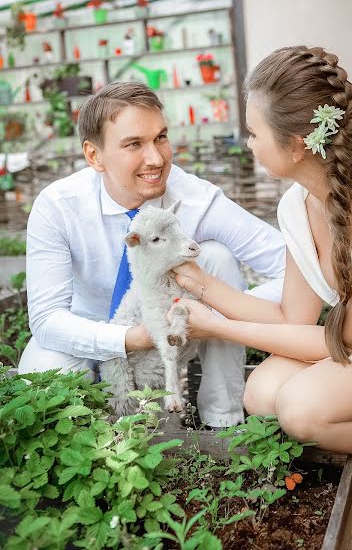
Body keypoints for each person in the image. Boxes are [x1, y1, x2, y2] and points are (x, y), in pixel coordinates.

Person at [168, 46, 352, 542]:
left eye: (253, 132)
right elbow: (292, 317)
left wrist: (220, 326)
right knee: (263, 391)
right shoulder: (298, 203)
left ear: (296, 144)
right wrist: (203, 285)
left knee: (300, 408)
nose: (247, 143)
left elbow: (348, 339)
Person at [18, 81, 286, 429]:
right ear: (94, 156)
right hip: (88, 334)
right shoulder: (58, 206)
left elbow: (291, 270)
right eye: (134, 144)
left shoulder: (195, 198)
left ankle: (222, 420)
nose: (156, 159)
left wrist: (218, 317)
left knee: (216, 257)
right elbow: (47, 320)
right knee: (37, 378)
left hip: (176, 330)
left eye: (160, 137)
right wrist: (131, 339)